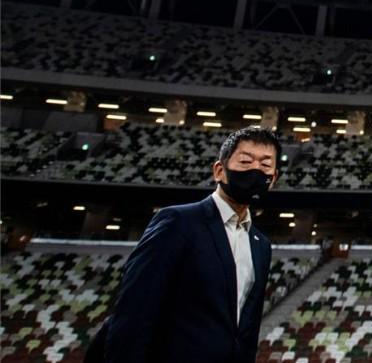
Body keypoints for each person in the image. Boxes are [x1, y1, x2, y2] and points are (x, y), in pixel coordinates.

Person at [98, 127, 279, 363]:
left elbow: (245, 329)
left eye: (265, 165)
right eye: (245, 161)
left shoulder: (261, 245)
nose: (256, 170)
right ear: (219, 171)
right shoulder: (178, 222)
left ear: (273, 179)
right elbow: (134, 312)